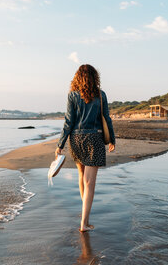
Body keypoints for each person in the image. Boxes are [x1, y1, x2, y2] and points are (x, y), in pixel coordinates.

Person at [55, 64, 116, 232]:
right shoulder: (101, 95)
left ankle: (84, 215)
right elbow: (107, 119)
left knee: (81, 176)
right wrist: (112, 139)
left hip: (76, 139)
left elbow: (68, 121)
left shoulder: (72, 95)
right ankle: (84, 223)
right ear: (94, 77)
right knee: (90, 182)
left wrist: (60, 144)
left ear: (77, 78)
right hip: (94, 138)